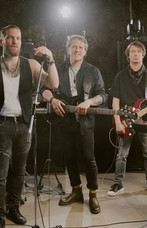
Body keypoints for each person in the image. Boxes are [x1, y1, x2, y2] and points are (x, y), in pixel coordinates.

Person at [0, 24, 59, 228]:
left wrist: (50, 58)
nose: (15, 42)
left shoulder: (29, 65)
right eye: (10, 38)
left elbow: (53, 83)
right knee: (0, 175)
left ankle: (13, 208)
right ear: (1, 41)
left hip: (24, 126)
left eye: (18, 38)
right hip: (1, 126)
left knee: (19, 172)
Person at [42, 34, 107, 214]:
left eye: (81, 47)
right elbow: (44, 90)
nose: (77, 50)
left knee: (89, 159)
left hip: (85, 123)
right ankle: (76, 191)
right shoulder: (58, 69)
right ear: (68, 49)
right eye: (74, 46)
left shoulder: (93, 71)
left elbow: (103, 95)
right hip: (64, 121)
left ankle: (93, 194)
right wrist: (53, 100)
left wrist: (89, 102)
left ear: (85, 52)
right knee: (69, 158)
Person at [109, 40, 147, 197]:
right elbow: (115, 100)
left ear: (143, 54)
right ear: (128, 55)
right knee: (122, 155)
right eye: (132, 51)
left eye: (139, 51)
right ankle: (118, 184)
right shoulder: (120, 76)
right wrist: (118, 121)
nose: (135, 54)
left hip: (145, 121)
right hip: (125, 120)